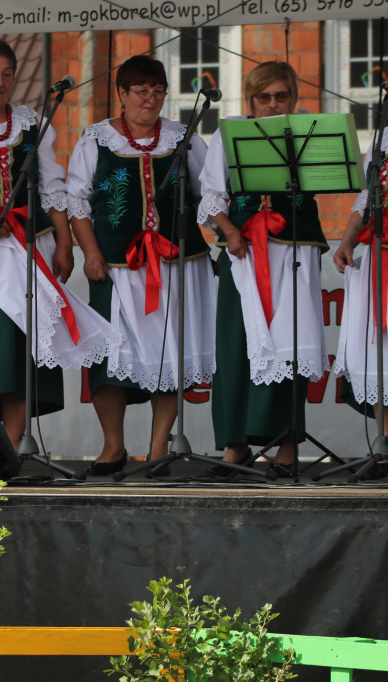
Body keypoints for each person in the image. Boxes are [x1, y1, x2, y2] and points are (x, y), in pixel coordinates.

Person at [0, 37, 119, 453]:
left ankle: (9, 450)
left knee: (19, 348)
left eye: (7, 74)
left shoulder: (32, 123)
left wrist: (65, 243)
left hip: (30, 248)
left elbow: (52, 189)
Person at [68, 55, 215, 476]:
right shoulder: (95, 140)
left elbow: (210, 193)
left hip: (177, 266)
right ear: (121, 94)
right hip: (115, 266)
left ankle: (156, 449)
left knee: (171, 358)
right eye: (141, 91)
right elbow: (77, 201)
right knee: (107, 358)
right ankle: (113, 445)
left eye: (157, 91)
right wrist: (90, 252)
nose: (150, 100)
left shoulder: (184, 137)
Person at [199, 62, 328, 476]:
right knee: (237, 345)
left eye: (281, 96)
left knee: (291, 345)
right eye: (263, 97)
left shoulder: (309, 131)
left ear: (293, 96)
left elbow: (332, 178)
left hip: (295, 250)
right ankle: (235, 446)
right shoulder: (230, 132)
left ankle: (285, 450)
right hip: (243, 252)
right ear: (251, 100)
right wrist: (230, 232)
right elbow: (212, 193)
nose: (273, 104)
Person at [333, 125, 388, 453]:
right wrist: (346, 241)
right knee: (382, 354)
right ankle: (384, 445)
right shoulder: (384, 137)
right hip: (380, 253)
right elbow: (368, 197)